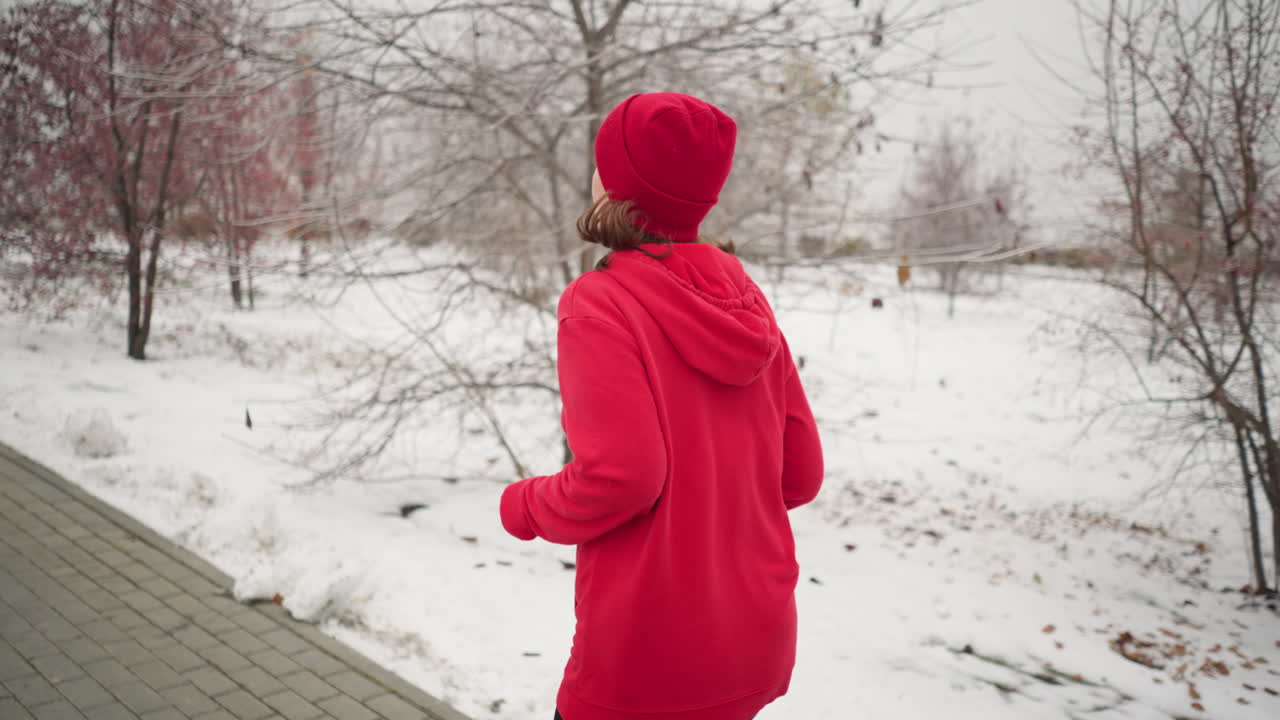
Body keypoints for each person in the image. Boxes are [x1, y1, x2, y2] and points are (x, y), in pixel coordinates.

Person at [499, 92, 824, 720]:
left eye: (601, 163)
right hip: (754, 642)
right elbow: (800, 474)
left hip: (646, 661)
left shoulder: (599, 301)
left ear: (620, 184)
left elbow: (621, 478)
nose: (592, 175)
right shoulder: (746, 297)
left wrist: (524, 505)